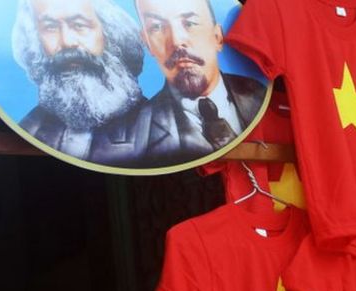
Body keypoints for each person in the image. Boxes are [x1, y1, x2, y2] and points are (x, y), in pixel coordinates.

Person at [90, 0, 266, 168]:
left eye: (189, 23)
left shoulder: (261, 95)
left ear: (217, 37)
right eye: (157, 27)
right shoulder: (118, 142)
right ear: (147, 43)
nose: (176, 41)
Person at [12, 0, 147, 160]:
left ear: (110, 33)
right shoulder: (31, 128)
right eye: (50, 27)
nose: (67, 41)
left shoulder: (154, 128)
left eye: (79, 25)